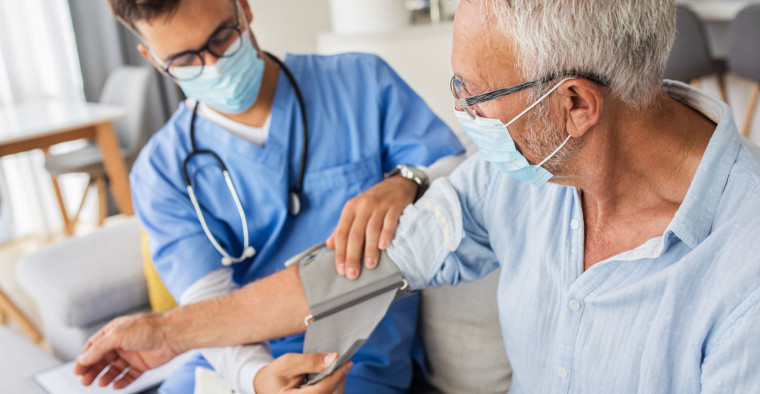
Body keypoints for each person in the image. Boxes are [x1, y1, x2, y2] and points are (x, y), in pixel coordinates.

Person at [76, 0, 760, 392]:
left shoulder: (743, 275)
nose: (457, 115)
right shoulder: (520, 179)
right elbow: (354, 272)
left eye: (471, 96)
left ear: (574, 104)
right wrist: (165, 333)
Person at [94, 0, 465, 393]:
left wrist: (409, 180)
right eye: (185, 59)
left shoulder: (359, 81)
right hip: (229, 359)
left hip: (352, 358)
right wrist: (254, 377)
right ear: (153, 58)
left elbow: (464, 172)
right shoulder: (159, 171)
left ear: (244, 9)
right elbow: (206, 300)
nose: (213, 65)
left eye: (222, 37)